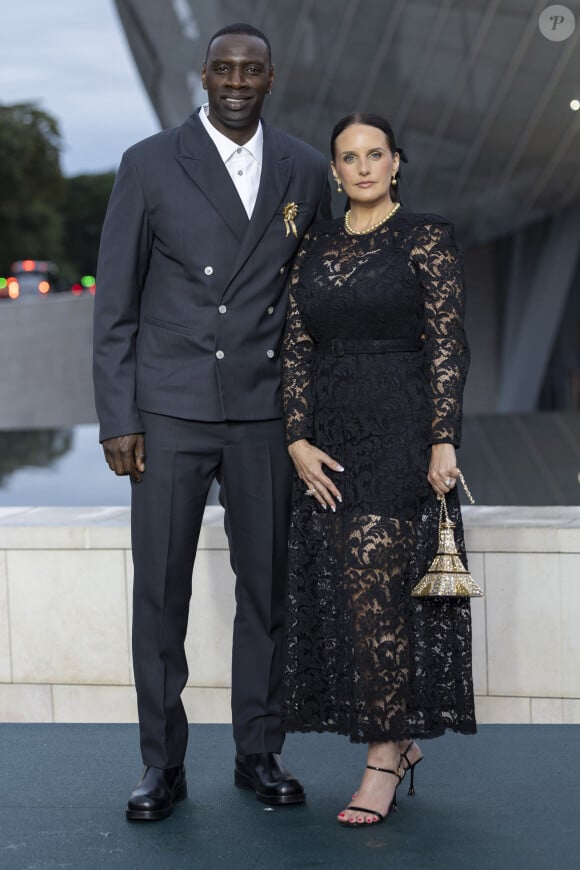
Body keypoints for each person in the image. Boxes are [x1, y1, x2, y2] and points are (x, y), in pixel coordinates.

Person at [93, 22, 331, 821]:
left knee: (265, 591)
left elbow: (314, 303)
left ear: (271, 78)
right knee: (160, 596)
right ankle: (162, 765)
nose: (236, 80)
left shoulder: (304, 166)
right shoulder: (149, 163)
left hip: (265, 414)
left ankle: (258, 752)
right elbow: (115, 304)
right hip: (168, 412)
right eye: (223, 67)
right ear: (203, 74)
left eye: (251, 69)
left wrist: (311, 414)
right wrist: (118, 415)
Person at [281, 113, 475, 828]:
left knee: (375, 585)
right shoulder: (317, 242)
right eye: (348, 157)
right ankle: (398, 734)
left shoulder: (425, 235)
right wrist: (297, 439)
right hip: (330, 439)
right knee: (349, 592)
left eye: (374, 154)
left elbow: (448, 342)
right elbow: (297, 345)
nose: (362, 167)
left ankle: (384, 754)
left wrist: (443, 441)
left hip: (401, 428)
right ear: (335, 170)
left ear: (397, 162)